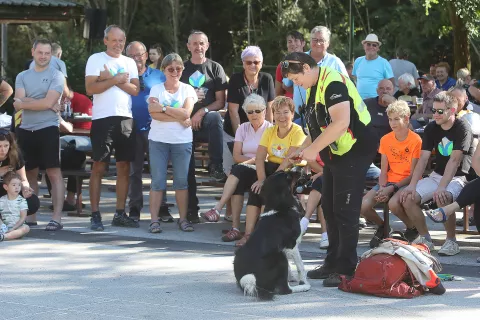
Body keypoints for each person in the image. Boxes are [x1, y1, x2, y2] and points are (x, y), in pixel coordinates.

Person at [282, 52, 378, 287]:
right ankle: (332, 261)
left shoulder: (332, 81)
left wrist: (313, 150)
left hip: (355, 149)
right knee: (329, 205)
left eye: (296, 79)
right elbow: (317, 126)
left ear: (306, 67)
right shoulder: (315, 84)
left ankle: (346, 267)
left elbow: (341, 122)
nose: (296, 84)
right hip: (336, 151)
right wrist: (302, 148)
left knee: (345, 209)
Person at [395, 92, 473, 256]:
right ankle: (426, 239)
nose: (435, 114)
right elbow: (423, 160)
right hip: (437, 175)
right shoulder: (431, 127)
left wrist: (442, 187)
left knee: (442, 196)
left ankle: (451, 241)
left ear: (452, 111)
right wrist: (412, 185)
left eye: (439, 111)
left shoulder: (462, 127)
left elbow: (454, 161)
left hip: (459, 177)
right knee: (408, 198)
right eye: (433, 110)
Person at [85, 25, 140, 231]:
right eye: (114, 40)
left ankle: (119, 213)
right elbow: (90, 88)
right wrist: (117, 79)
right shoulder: (96, 59)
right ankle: (95, 214)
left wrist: (109, 79)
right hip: (102, 119)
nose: (118, 44)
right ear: (105, 40)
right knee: (99, 165)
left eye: (121, 41)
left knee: (124, 166)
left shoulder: (129, 62)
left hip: (125, 118)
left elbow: (135, 90)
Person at [235, 96, 306, 247]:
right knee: (256, 189)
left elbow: (289, 159)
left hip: (291, 170)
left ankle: (264, 235)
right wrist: (261, 179)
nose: (281, 117)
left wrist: (269, 182)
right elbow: (260, 158)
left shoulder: (297, 131)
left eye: (285, 112)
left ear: (292, 114)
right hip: (272, 167)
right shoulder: (270, 131)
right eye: (277, 113)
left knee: (270, 190)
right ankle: (249, 234)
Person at [200, 94, 272, 240]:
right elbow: (236, 156)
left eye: (257, 111)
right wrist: (252, 160)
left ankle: (217, 209)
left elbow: (267, 157)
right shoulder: (242, 128)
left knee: (237, 170)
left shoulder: (270, 129)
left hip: (263, 170)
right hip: (245, 169)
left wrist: (252, 161)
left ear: (264, 111)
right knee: (237, 178)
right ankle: (235, 228)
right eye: (250, 112)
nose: (254, 115)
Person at [13, 38, 65, 231]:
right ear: (33, 52)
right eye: (40, 52)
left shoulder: (57, 75)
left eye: (47, 53)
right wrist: (43, 102)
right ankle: (31, 216)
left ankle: (57, 218)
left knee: (54, 173)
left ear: (51, 55)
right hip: (25, 129)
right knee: (29, 174)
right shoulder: (22, 76)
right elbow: (18, 100)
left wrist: (36, 102)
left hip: (48, 128)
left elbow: (39, 102)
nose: (43, 56)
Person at [180, 31, 229, 223]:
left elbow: (220, 102)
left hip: (206, 120)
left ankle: (215, 165)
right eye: (194, 44)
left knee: (215, 117)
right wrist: (190, 115)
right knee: (187, 169)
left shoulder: (215, 68)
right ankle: (191, 210)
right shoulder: (181, 69)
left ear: (207, 45)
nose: (198, 47)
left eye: (201, 43)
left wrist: (201, 112)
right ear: (188, 46)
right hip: (185, 122)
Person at [360, 101, 422, 248]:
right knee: (363, 206)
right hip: (389, 181)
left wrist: (392, 188)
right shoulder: (385, 139)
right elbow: (384, 169)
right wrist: (382, 187)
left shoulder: (415, 140)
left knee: (394, 204)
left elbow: (413, 174)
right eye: (390, 119)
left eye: (396, 119)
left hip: (407, 181)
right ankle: (384, 227)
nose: (392, 123)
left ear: (406, 119)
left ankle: (413, 228)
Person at [147, 53, 197, 233]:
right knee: (157, 181)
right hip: (158, 140)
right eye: (170, 69)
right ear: (164, 70)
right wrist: (177, 115)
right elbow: (153, 114)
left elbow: (187, 113)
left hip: (182, 141)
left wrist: (163, 108)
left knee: (181, 182)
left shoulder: (188, 90)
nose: (175, 72)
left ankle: (183, 219)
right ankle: (154, 220)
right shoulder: (156, 89)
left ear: (182, 70)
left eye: (178, 68)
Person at [124, 41, 167, 223]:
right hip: (129, 125)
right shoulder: (122, 76)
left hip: (155, 126)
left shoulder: (159, 76)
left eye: (139, 55)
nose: (136, 59)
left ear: (146, 56)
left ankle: (162, 207)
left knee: (159, 170)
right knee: (134, 171)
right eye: (132, 56)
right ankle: (134, 207)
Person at [223, 46, 274, 175]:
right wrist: (240, 137)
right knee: (230, 172)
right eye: (248, 62)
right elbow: (233, 112)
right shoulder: (235, 79)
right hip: (236, 131)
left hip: (260, 132)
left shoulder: (267, 79)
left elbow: (269, 110)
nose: (252, 65)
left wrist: (269, 135)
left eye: (256, 62)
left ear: (261, 64)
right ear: (243, 64)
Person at [287, 26, 348, 122]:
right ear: (310, 41)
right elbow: (286, 84)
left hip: (327, 115)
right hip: (299, 114)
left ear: (328, 43)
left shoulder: (335, 62)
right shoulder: (298, 58)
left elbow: (346, 86)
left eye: (322, 40)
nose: (318, 43)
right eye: (315, 40)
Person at [0, 130, 39, 216]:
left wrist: (25, 188)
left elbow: (23, 179)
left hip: (9, 190)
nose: (3, 150)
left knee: (32, 202)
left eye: (6, 146)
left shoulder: (15, 155)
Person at [299, 154, 329, 249]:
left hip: (339, 174)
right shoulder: (313, 139)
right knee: (321, 186)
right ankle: (325, 235)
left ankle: (305, 220)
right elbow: (309, 158)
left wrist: (322, 173)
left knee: (321, 182)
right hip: (318, 176)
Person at [353, 34, 394, 99]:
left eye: (374, 45)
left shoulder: (384, 63)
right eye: (368, 44)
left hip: (377, 102)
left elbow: (390, 83)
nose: (371, 47)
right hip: (359, 101)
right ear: (364, 46)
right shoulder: (358, 61)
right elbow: (355, 78)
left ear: (378, 48)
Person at [0, 172, 30, 241]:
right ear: (6, 187)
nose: (17, 187)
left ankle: (4, 237)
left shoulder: (22, 201)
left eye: (19, 185)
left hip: (17, 228)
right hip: (4, 227)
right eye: (14, 185)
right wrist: (2, 225)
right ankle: (3, 233)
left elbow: (23, 218)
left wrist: (13, 228)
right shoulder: (1, 200)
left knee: (26, 228)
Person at [275, 31, 305, 99]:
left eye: (296, 40)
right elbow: (278, 93)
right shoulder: (282, 65)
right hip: (289, 106)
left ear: (303, 43)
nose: (293, 44)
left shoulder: (311, 63)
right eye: (290, 41)